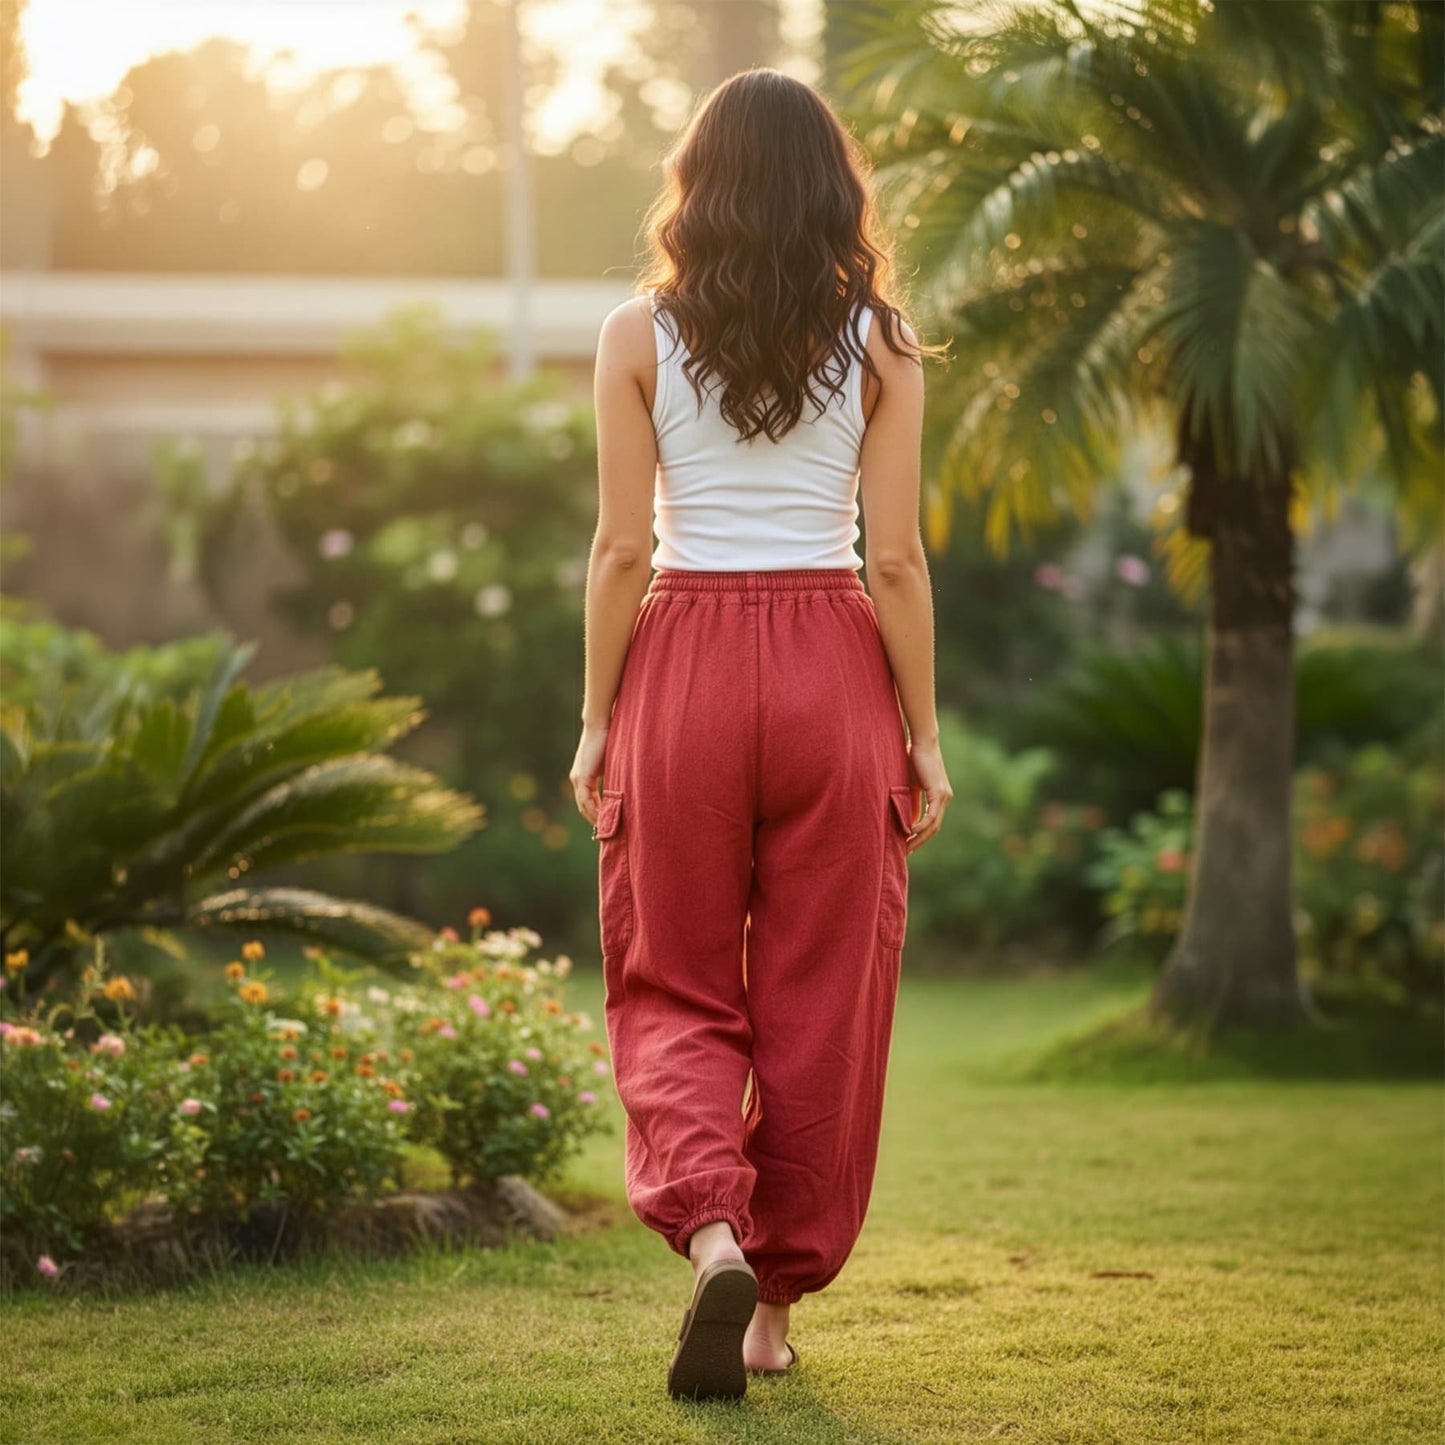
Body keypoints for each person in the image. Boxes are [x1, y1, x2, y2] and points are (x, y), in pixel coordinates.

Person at [569, 66, 953, 1403]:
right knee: (821, 997)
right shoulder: (884, 342)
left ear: (698, 184)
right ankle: (771, 1314)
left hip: (680, 660)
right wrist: (922, 735)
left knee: (671, 977)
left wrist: (594, 719)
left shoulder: (635, 333)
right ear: (834, 190)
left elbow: (621, 548)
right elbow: (894, 560)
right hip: (832, 669)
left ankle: (714, 1236)